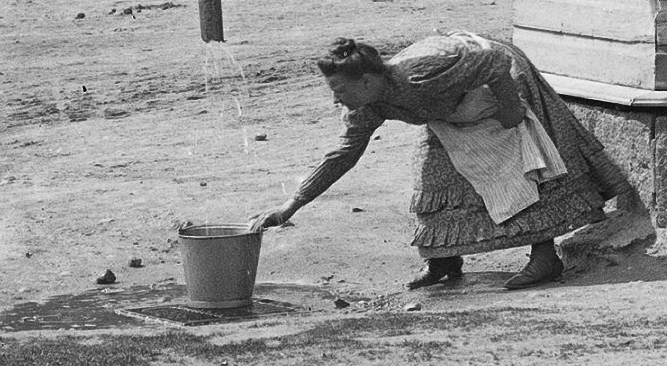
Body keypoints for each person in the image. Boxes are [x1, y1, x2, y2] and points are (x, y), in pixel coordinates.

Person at [260, 32, 641, 293]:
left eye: (338, 90)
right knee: (433, 174)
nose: (335, 100)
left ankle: (545, 259)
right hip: (451, 105)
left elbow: (494, 62)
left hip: (500, 77)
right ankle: (443, 261)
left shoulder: (420, 74)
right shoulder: (367, 106)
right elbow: (343, 154)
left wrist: (511, 111)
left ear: (366, 81)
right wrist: (292, 204)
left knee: (524, 166)